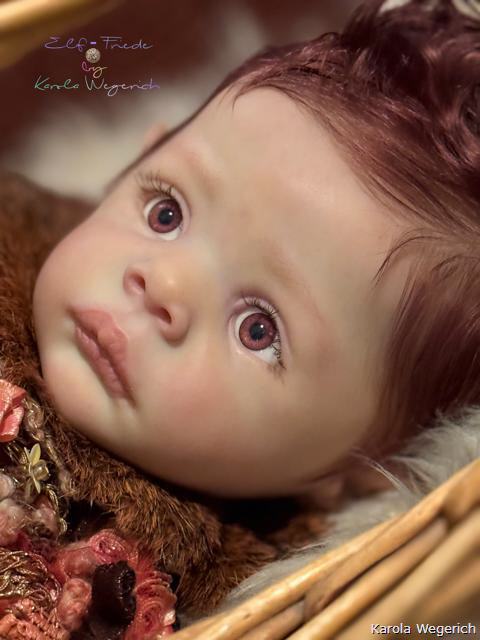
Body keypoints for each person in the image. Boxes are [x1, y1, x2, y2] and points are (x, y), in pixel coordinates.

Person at [1, 0, 479, 633]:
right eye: (166, 213)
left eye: (258, 328)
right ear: (132, 164)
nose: (163, 285)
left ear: (364, 467)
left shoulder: (254, 598)